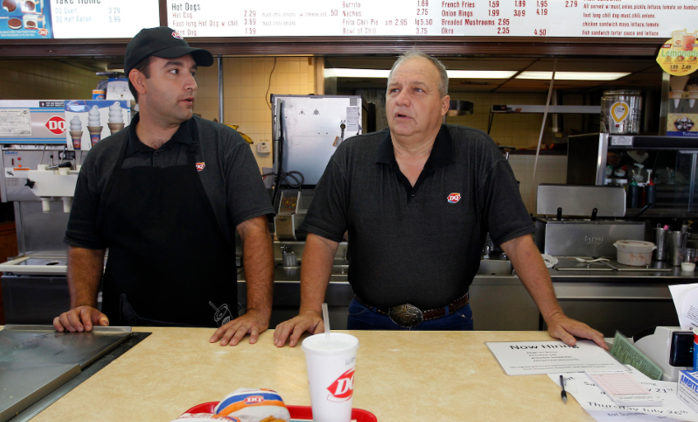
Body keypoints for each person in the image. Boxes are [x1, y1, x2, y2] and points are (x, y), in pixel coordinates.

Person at [274, 49, 606, 349]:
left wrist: (554, 315)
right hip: (368, 323)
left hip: (449, 324)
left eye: (417, 90)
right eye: (394, 90)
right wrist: (307, 311)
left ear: (444, 105)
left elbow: (517, 242)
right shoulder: (352, 156)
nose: (402, 99)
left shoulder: (477, 153)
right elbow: (323, 239)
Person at [54, 27, 274, 346]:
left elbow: (254, 230)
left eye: (192, 72)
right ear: (139, 81)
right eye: (174, 71)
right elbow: (85, 243)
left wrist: (257, 312)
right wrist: (83, 306)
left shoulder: (224, 146)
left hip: (214, 334)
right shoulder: (103, 157)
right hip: (125, 335)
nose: (191, 83)